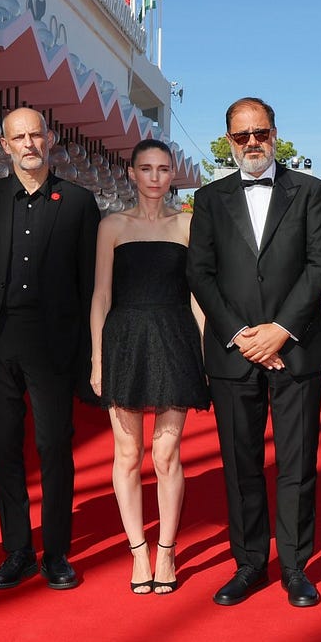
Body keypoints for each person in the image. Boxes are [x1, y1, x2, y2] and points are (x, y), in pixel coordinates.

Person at [187, 97, 321, 608]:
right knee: (239, 464)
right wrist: (241, 334)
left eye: (262, 133)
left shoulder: (312, 192)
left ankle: (295, 566)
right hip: (233, 353)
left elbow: (320, 267)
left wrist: (280, 331)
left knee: (298, 463)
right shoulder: (208, 200)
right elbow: (200, 273)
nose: (253, 143)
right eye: (242, 135)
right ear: (229, 140)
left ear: (276, 134)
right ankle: (249, 563)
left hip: (295, 349)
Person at [0, 107, 100, 591]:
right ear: (4, 146)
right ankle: (17, 550)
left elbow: (90, 283)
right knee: (3, 449)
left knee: (54, 448)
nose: (28, 144)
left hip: (52, 345)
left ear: (49, 140)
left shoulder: (79, 202)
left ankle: (56, 552)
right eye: (17, 137)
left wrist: (90, 354)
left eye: (35, 135)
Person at [90, 139, 210, 595]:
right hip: (124, 341)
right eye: (146, 168)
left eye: (163, 169)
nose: (155, 176)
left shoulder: (188, 225)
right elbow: (101, 296)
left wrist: (201, 352)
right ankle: (137, 550)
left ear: (171, 175)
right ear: (131, 173)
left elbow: (198, 296)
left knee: (165, 455)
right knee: (127, 454)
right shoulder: (112, 226)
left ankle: (166, 549)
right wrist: (97, 357)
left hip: (176, 340)